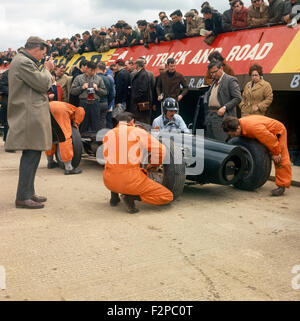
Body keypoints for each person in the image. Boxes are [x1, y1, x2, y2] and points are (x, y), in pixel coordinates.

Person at [5, 36, 54, 209]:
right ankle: (23, 196)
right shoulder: (23, 62)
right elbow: (43, 83)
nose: (43, 56)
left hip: (30, 113)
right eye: (43, 52)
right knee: (30, 155)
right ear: (36, 49)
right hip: (29, 114)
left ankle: (28, 192)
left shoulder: (23, 60)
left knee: (33, 155)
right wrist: (47, 70)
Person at [102, 112, 174, 213]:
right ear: (132, 122)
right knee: (167, 196)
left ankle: (114, 196)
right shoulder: (136, 131)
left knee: (117, 165)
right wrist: (153, 165)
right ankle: (130, 196)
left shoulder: (108, 134)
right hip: (129, 181)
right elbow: (160, 150)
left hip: (108, 180)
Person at [222, 115, 292, 196]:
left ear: (238, 128)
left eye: (233, 134)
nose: (232, 136)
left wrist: (276, 153)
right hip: (263, 132)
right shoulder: (238, 124)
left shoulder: (254, 128)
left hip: (276, 131)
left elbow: (270, 139)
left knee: (280, 160)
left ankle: (282, 186)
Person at [205, 60, 242, 141]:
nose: (213, 75)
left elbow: (238, 98)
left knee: (221, 142)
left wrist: (224, 107)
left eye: (215, 72)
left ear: (221, 68)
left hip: (222, 117)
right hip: (211, 115)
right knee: (210, 142)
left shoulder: (230, 80)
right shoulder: (214, 82)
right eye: (211, 73)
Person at [46, 101, 85, 174]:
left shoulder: (69, 106)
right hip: (59, 110)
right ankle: (68, 167)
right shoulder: (77, 110)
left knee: (50, 136)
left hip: (47, 107)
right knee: (64, 137)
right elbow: (81, 111)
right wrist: (76, 123)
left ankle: (50, 162)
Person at [70, 61, 107, 133]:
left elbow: (105, 92)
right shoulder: (79, 78)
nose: (93, 72)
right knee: (83, 124)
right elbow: (72, 91)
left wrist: (97, 89)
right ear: (87, 68)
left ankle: (95, 142)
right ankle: (82, 141)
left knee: (96, 125)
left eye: (94, 70)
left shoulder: (99, 79)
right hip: (83, 103)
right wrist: (82, 87)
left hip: (95, 103)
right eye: (91, 70)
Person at [130, 59, 153, 124]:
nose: (134, 66)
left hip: (141, 103)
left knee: (142, 120)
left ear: (137, 65)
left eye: (134, 64)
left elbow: (143, 89)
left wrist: (135, 98)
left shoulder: (143, 74)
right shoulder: (141, 73)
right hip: (140, 102)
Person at [96, 62, 115, 129]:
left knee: (94, 121)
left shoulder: (93, 78)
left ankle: (95, 137)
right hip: (105, 103)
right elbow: (112, 94)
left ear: (96, 69)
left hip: (95, 103)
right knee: (103, 121)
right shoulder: (108, 79)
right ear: (104, 70)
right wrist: (108, 102)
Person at [0, 69, 9, 141]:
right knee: (5, 106)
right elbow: (3, 86)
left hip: (22, 98)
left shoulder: (24, 72)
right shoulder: (6, 74)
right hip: (8, 97)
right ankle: (7, 139)